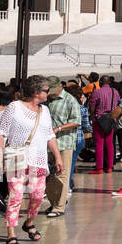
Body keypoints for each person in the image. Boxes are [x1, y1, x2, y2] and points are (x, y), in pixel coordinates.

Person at [0, 75, 62, 244]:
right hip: (16, 157)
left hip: (38, 159)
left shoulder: (44, 111)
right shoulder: (14, 107)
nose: (49, 93)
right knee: (15, 197)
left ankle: (29, 222)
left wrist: (58, 156)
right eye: (46, 90)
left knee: (38, 196)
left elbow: (50, 135)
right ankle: (11, 233)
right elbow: (1, 133)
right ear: (35, 92)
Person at [43, 80, 80, 216]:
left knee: (62, 175)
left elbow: (76, 121)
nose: (50, 95)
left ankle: (59, 207)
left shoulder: (70, 101)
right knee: (49, 176)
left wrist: (58, 129)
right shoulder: (46, 101)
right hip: (47, 144)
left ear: (60, 87)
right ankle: (56, 203)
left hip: (64, 143)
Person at [87, 75, 119, 175]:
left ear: (101, 82)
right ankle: (109, 167)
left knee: (99, 144)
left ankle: (99, 168)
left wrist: (92, 116)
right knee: (110, 144)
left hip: (99, 120)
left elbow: (92, 107)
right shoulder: (115, 92)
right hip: (111, 119)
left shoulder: (97, 92)